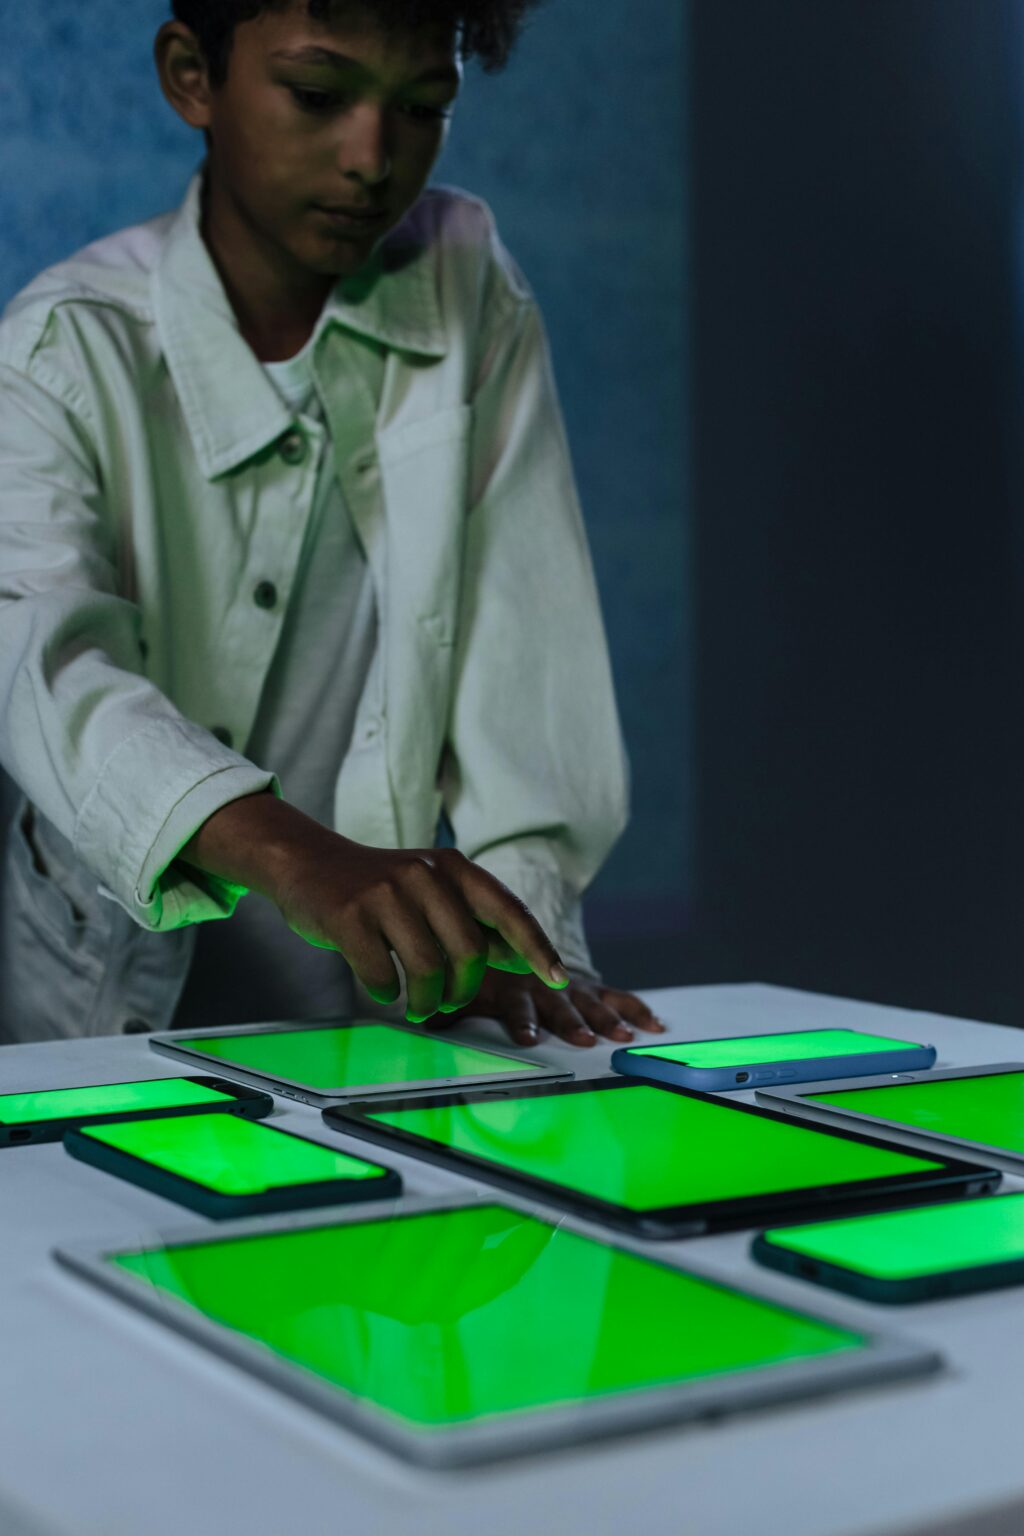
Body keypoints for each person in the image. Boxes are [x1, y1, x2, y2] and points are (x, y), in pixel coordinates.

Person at [0, 0, 666, 1052]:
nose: (371, 157)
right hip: (92, 1026)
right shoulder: (61, 348)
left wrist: (521, 948)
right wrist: (299, 856)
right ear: (191, 76)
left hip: (371, 1037)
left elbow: (530, 680)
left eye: (422, 107)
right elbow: (45, 671)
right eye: (318, 95)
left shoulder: (468, 289)